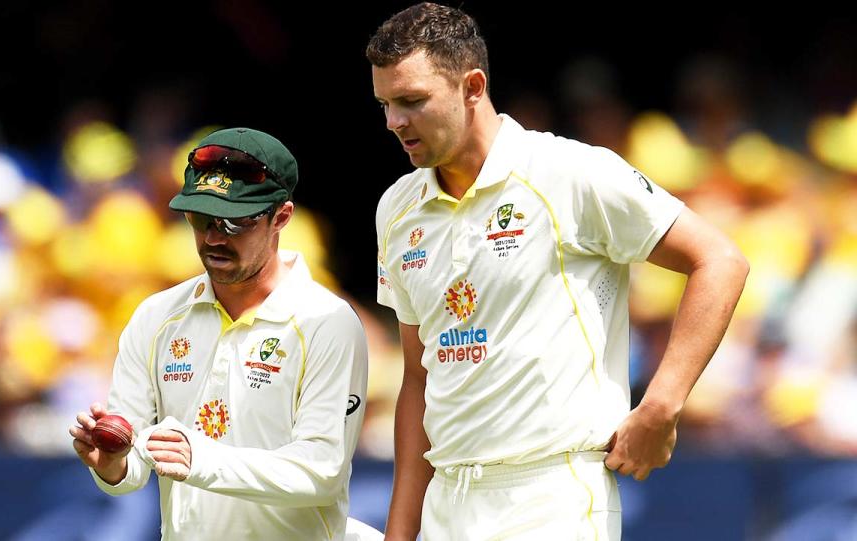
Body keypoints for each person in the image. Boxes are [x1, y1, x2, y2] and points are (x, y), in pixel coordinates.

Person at [367, 4, 749, 540]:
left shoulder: (571, 173)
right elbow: (418, 378)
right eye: (385, 104)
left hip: (554, 497)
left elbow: (720, 260)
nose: (393, 122)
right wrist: (400, 533)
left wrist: (661, 405)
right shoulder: (397, 208)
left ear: (472, 86)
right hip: (447, 502)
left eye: (412, 101)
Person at [70, 127, 373, 540]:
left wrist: (203, 460)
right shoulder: (155, 316)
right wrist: (111, 464)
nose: (213, 238)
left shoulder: (326, 321)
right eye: (200, 219)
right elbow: (134, 463)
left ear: (281, 217)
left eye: (234, 223)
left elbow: (322, 470)